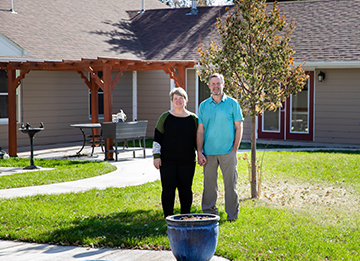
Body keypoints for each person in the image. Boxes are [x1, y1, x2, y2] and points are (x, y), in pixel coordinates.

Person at [197, 73, 243, 221]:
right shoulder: (203, 106)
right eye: (213, 83)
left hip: (227, 152)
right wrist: (199, 152)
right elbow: (200, 130)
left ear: (223, 85)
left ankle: (232, 215)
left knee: (230, 185)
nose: (216, 86)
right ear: (209, 86)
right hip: (209, 152)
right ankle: (209, 213)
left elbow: (239, 127)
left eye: (218, 83)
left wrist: (234, 150)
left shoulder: (232, 103)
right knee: (209, 186)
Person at [152, 87, 198, 218]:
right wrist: (156, 156)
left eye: (181, 98)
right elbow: (157, 138)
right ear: (172, 101)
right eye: (175, 99)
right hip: (167, 161)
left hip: (187, 161)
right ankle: (169, 217)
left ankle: (185, 216)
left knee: (186, 189)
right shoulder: (165, 117)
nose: (178, 101)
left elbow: (198, 139)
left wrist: (200, 154)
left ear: (186, 100)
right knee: (168, 189)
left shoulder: (193, 119)